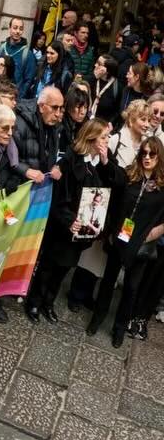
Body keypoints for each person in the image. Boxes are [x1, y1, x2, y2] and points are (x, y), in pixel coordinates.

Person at [26, 119, 111, 323]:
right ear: (91, 138)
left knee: (64, 269)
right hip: (63, 225)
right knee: (48, 266)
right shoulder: (71, 159)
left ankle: (48, 302)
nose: (107, 141)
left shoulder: (98, 163)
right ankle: (34, 302)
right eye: (103, 137)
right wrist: (69, 220)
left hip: (80, 229)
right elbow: (59, 196)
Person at [87, 135, 164, 347]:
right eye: (144, 153)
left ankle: (119, 328)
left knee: (131, 288)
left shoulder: (162, 185)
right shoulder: (130, 175)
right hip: (120, 237)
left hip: (142, 243)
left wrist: (152, 234)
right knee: (108, 280)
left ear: (159, 156)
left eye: (152, 154)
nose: (147, 157)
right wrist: (104, 159)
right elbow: (112, 178)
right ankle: (97, 319)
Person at [0, 18, 38, 98]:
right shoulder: (1, 48)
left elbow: (28, 80)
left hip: (13, 98)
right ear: (9, 28)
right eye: (15, 28)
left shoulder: (28, 54)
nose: (18, 31)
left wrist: (18, 97)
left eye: (21, 29)